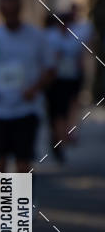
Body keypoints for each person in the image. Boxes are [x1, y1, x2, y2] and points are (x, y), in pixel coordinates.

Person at [0, 0, 56, 173]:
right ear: (1, 12)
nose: (10, 16)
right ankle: (4, 201)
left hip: (25, 109)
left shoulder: (36, 37)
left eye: (13, 11)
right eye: (6, 12)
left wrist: (34, 89)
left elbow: (50, 68)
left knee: (22, 163)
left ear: (20, 10)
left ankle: (19, 201)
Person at [44, 11, 85, 162]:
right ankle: (57, 138)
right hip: (54, 81)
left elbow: (79, 58)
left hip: (69, 79)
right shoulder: (50, 37)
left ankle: (61, 139)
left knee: (66, 111)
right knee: (55, 113)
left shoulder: (74, 38)